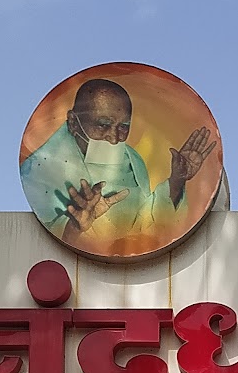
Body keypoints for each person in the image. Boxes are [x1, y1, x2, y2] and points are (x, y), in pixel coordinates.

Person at [19, 77, 217, 252]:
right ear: (73, 122)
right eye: (103, 125)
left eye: (123, 127)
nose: (114, 139)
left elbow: (147, 226)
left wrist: (176, 181)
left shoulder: (133, 159)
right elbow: (42, 244)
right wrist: (74, 227)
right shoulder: (38, 170)